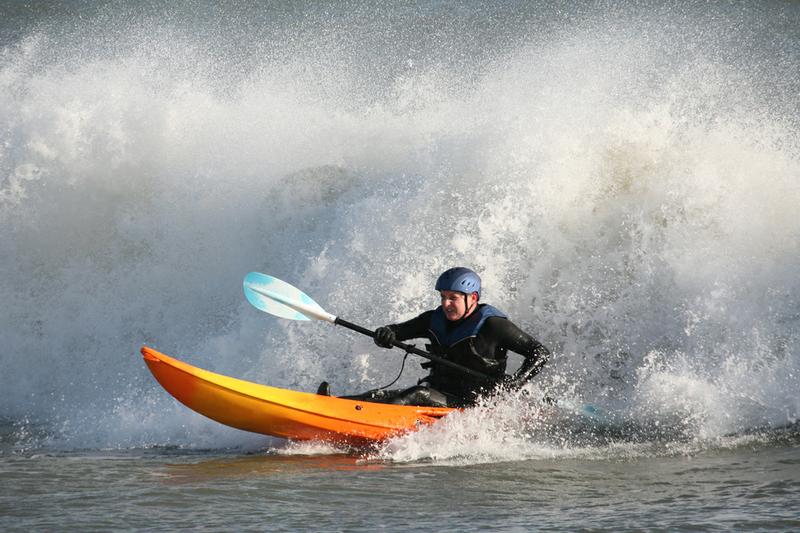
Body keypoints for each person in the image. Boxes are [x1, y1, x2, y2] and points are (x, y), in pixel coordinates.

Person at [319, 267, 550, 408]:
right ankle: (329, 406)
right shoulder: (433, 319)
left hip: (474, 402)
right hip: (440, 393)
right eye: (443, 297)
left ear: (473, 298)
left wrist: (515, 383)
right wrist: (385, 334)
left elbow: (539, 353)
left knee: (415, 394)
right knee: (378, 394)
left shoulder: (494, 326)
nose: (446, 304)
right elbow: (396, 331)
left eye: (453, 298)